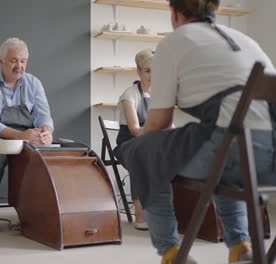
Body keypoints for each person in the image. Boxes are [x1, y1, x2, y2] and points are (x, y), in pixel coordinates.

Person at [117, 0, 276, 263]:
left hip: (234, 154)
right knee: (221, 146)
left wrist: (152, 157)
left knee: (141, 150)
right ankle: (239, 246)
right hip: (269, 158)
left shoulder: (175, 41)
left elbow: (157, 124)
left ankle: (171, 250)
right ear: (216, 9)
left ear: (174, 12)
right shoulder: (247, 41)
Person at [0, 37, 54, 232]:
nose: (19, 65)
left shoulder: (34, 83)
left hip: (27, 134)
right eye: (13, 60)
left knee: (51, 153)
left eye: (23, 61)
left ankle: (34, 213)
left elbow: (44, 115)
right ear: (1, 61)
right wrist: (21, 136)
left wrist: (47, 132)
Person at [113, 49, 154, 231]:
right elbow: (135, 130)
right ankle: (140, 215)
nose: (153, 75)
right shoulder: (129, 95)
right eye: (148, 70)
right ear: (138, 71)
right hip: (128, 144)